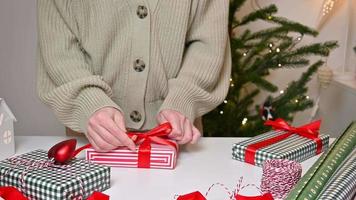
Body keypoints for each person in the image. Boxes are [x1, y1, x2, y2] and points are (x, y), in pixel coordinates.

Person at [37, 0, 231, 152]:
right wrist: (89, 101)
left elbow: (208, 43)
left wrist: (183, 100)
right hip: (91, 144)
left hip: (179, 144)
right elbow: (59, 48)